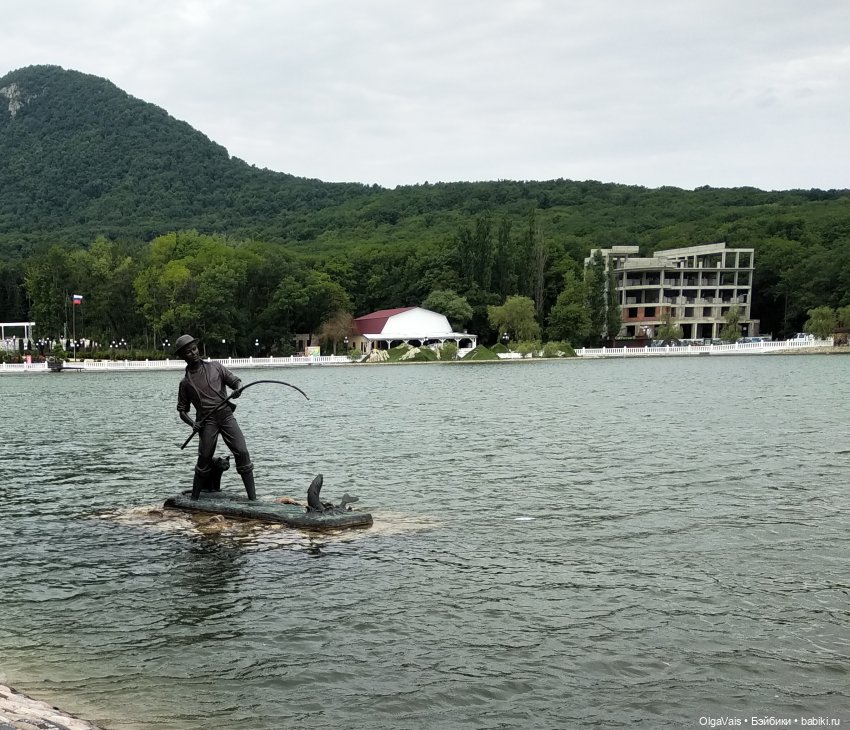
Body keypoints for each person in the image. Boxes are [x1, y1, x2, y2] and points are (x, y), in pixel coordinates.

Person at [174, 334, 256, 500]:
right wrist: (192, 424)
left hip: (226, 416)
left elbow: (236, 381)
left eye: (194, 349)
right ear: (183, 356)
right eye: (188, 352)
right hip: (207, 422)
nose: (194, 353)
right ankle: (194, 499)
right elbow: (182, 411)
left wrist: (238, 389)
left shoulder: (216, 367)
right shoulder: (185, 383)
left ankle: (253, 499)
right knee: (204, 458)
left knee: (242, 451)